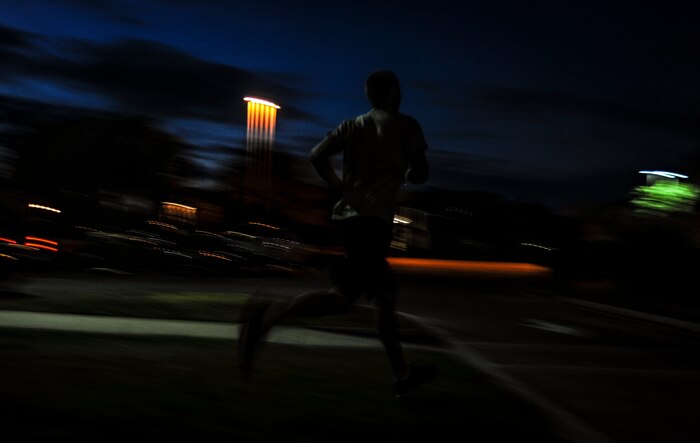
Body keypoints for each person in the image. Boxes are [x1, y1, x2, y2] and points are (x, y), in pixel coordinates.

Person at [238, 70, 435, 397]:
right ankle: (267, 315)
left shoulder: (352, 125)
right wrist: (409, 171)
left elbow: (316, 155)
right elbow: (421, 174)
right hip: (373, 223)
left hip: (351, 219)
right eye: (399, 90)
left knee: (380, 297)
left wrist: (339, 186)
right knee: (347, 298)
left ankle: (403, 376)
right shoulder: (407, 126)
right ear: (393, 92)